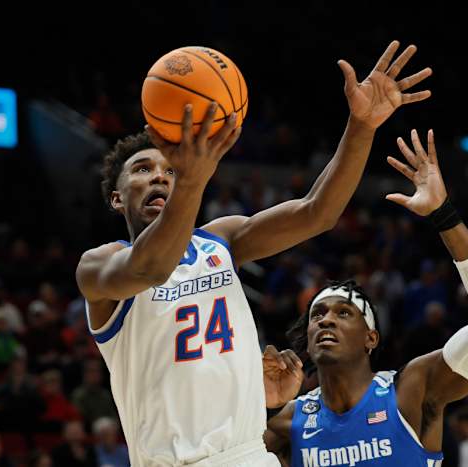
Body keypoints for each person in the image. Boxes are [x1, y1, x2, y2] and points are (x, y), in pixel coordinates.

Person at [75, 40, 432, 466]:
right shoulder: (98, 266)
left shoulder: (220, 240)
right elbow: (151, 267)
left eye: (169, 170)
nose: (160, 177)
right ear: (117, 199)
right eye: (142, 169)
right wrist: (191, 182)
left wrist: (361, 126)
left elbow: (316, 212)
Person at [265, 130, 468, 466]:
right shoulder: (289, 421)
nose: (326, 319)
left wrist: (443, 214)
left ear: (370, 337)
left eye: (344, 313)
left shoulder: (410, 391)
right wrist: (265, 406)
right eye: (317, 314)